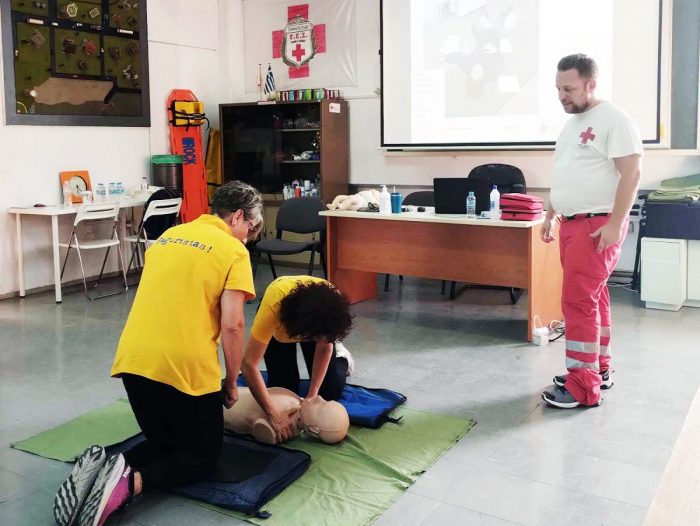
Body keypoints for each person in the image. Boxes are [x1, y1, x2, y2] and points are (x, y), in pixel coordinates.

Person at [53, 181, 262, 526]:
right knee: (203, 457)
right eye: (250, 230)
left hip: (133, 362)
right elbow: (234, 325)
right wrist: (231, 380)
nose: (247, 238)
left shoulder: (169, 236)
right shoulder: (233, 250)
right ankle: (130, 485)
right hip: (183, 369)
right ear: (238, 217)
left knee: (165, 444)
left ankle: (101, 472)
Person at [540, 54, 642, 409]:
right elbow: (569, 174)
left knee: (578, 303)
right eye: (558, 89)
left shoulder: (613, 119)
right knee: (593, 299)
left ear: (590, 84)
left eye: (568, 88)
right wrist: (552, 212)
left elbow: (631, 173)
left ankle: (582, 386)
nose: (561, 96)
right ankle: (597, 369)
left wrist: (615, 223)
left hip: (595, 226)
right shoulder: (572, 124)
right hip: (572, 223)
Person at [241, 276, 353, 443]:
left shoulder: (331, 308)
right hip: (281, 327)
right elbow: (248, 364)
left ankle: (343, 358)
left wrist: (312, 395)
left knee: (330, 390)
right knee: (284, 387)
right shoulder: (273, 306)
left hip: (314, 324)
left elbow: (323, 348)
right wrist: (273, 414)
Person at [223, 386, 350, 445]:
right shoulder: (299, 407)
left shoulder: (291, 420)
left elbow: (261, 428)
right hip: (234, 394)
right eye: (326, 401)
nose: (320, 397)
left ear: (314, 428)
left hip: (226, 405)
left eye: (321, 406)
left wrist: (270, 430)